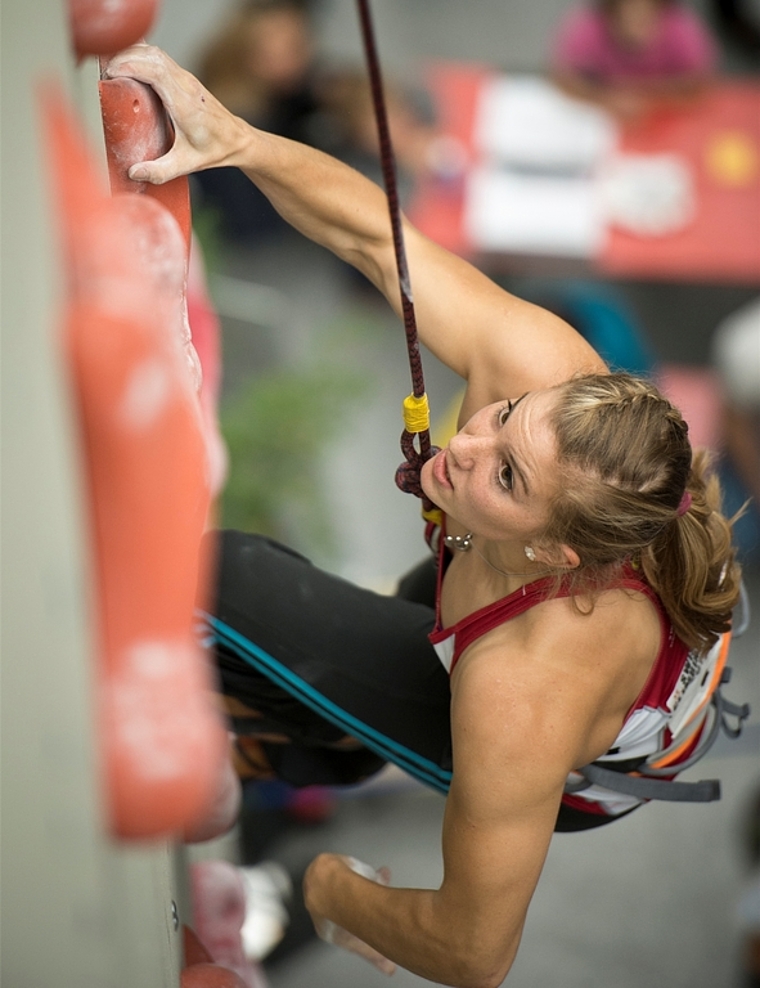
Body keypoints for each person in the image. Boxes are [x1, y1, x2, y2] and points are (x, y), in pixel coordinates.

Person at [105, 45, 743, 986]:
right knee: (353, 661)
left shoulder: (520, 697)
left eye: (509, 478)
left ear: (557, 551)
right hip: (520, 597)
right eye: (509, 419)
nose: (469, 445)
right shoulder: (544, 371)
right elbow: (378, 238)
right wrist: (234, 140)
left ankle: (306, 803)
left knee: (228, 581)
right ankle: (318, 748)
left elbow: (474, 950)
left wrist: (331, 890)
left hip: (576, 756)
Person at [550, 0, 718, 119]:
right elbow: (563, 78)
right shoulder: (589, 25)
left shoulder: (679, 27)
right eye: (628, 15)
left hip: (665, 123)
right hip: (600, 123)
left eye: (645, 18)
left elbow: (701, 82)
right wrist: (606, 99)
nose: (637, 25)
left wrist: (649, 100)